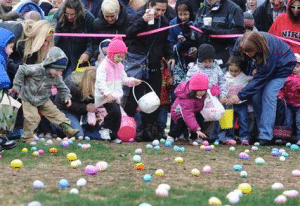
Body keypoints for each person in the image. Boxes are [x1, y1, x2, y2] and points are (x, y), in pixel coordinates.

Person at [228, 31, 296, 146]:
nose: (248, 54)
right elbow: (235, 58)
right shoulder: (241, 42)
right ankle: (259, 132)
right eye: (245, 51)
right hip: (263, 68)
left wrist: (240, 95)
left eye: (250, 51)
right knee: (255, 96)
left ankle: (266, 135)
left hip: (282, 66)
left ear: (258, 47)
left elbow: (261, 79)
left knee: (269, 95)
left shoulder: (269, 50)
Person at [124, 0, 175, 142]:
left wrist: (170, 56)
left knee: (154, 100)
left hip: (155, 64)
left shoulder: (164, 21)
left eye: (163, 10)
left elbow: (166, 42)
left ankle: (149, 130)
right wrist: (142, 21)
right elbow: (128, 34)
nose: (160, 13)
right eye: (157, 9)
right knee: (135, 99)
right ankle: (132, 129)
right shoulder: (138, 15)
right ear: (150, 6)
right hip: (138, 65)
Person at [9, 46, 79, 143]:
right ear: (49, 64)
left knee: (56, 114)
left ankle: (68, 130)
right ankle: (27, 137)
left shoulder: (56, 77)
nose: (59, 73)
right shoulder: (36, 69)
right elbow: (21, 69)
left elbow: (62, 87)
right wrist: (16, 85)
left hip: (43, 99)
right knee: (32, 117)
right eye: (57, 70)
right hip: (28, 97)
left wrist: (66, 97)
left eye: (61, 71)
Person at [95, 37, 142, 143]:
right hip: (105, 96)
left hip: (115, 95)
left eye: (122, 57)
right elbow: (100, 82)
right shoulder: (103, 66)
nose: (120, 59)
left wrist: (133, 81)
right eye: (118, 56)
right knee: (115, 112)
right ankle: (104, 127)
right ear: (111, 54)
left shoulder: (119, 66)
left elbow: (123, 79)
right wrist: (107, 93)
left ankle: (113, 135)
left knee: (118, 115)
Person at [193, 0, 245, 69]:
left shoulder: (233, 9)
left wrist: (215, 32)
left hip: (224, 62)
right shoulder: (202, 9)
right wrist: (187, 32)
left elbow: (239, 34)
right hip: (202, 62)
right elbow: (194, 35)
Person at [54, 67, 102, 139]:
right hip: (64, 111)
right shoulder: (72, 84)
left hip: (84, 113)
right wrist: (85, 108)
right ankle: (58, 126)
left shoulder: (95, 87)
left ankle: (84, 129)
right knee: (78, 135)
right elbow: (64, 103)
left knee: (100, 134)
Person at [51, 0, 95, 78]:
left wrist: (88, 52)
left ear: (78, 12)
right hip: (62, 54)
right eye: (67, 14)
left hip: (80, 57)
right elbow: (55, 35)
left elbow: (92, 40)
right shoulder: (59, 14)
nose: (69, 17)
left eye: (72, 14)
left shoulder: (88, 18)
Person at [167, 72, 212, 145]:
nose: (201, 92)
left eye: (203, 90)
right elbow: (188, 115)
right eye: (199, 90)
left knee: (199, 118)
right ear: (194, 90)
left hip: (193, 111)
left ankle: (194, 138)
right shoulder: (187, 99)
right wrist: (196, 129)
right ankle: (171, 136)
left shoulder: (202, 95)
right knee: (182, 123)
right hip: (179, 112)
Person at [219, 55, 252, 145]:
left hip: (241, 104)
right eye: (231, 71)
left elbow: (251, 80)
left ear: (241, 69)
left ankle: (244, 137)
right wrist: (223, 97)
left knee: (243, 120)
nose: (233, 73)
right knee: (229, 121)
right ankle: (228, 137)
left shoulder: (243, 77)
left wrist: (255, 74)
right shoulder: (225, 77)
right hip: (229, 104)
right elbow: (222, 88)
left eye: (236, 71)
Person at [0, 27, 17, 150]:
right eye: (10, 47)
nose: (11, 52)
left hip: (2, 89)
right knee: (5, 111)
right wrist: (5, 86)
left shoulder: (3, 60)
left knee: (8, 109)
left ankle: (2, 137)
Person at [278, 53, 300, 146]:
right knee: (288, 121)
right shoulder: (286, 77)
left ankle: (299, 138)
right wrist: (280, 95)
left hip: (299, 104)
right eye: (293, 66)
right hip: (289, 104)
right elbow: (282, 88)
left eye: (297, 66)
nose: (294, 68)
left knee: (299, 121)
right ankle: (285, 138)